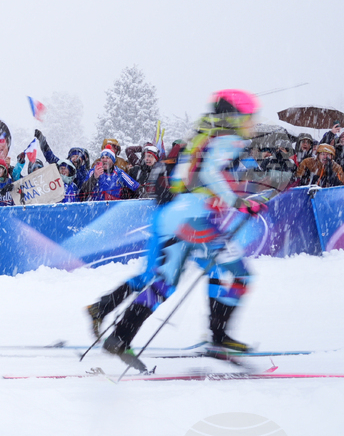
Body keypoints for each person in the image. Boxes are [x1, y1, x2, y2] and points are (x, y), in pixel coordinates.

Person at [93, 90, 266, 371]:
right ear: (235, 117)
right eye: (249, 117)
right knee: (240, 273)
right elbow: (209, 173)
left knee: (165, 284)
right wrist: (239, 202)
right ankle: (219, 338)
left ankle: (120, 336)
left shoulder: (202, 133)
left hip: (176, 215)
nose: (252, 124)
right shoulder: (227, 138)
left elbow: (185, 177)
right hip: (194, 219)